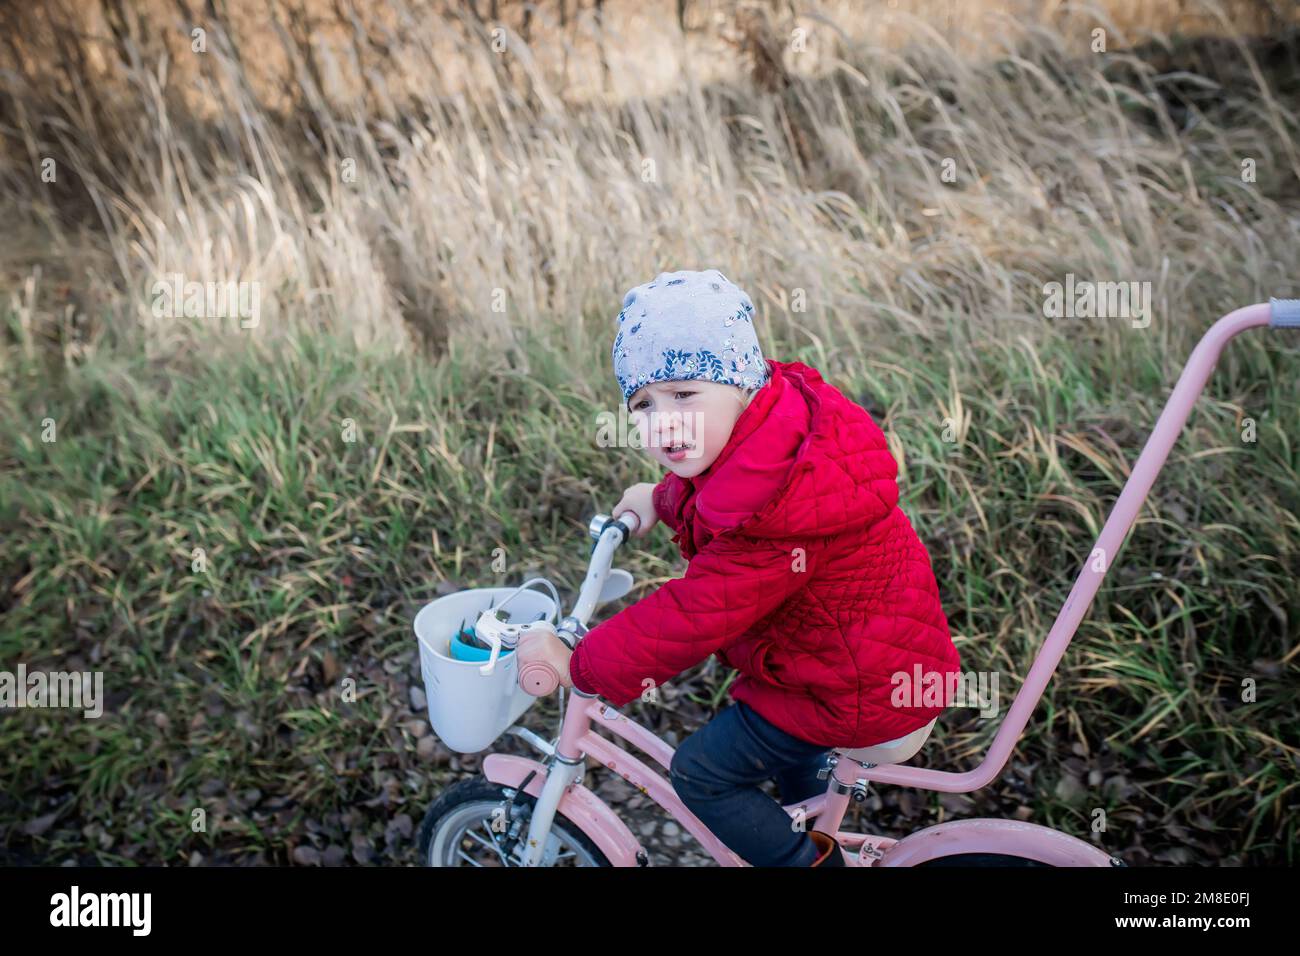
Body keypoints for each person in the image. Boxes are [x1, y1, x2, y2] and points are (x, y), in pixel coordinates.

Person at [516, 268, 960, 867]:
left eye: (683, 394)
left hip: (856, 692)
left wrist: (581, 664)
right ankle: (815, 814)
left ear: (742, 386)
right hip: (866, 665)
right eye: (643, 404)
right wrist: (664, 497)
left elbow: (696, 612)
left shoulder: (777, 509)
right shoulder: (784, 435)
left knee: (701, 774)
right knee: (786, 739)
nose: (663, 421)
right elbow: (721, 495)